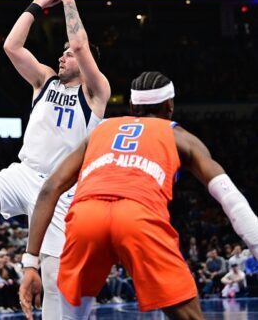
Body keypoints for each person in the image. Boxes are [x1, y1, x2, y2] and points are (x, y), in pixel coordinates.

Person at [20, 71, 258, 319]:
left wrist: (30, 263)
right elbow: (230, 198)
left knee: (70, 316)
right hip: (138, 216)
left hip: (85, 218)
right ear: (170, 105)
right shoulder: (180, 136)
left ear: (132, 106)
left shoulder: (99, 131)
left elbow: (50, 189)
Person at [0, 0, 111, 320]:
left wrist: (69, 0)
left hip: (62, 189)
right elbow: (11, 46)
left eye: (68, 54)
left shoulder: (95, 92)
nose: (62, 56)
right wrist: (36, 6)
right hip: (23, 173)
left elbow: (81, 45)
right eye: (63, 53)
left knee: (53, 278)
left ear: (86, 64)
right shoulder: (44, 81)